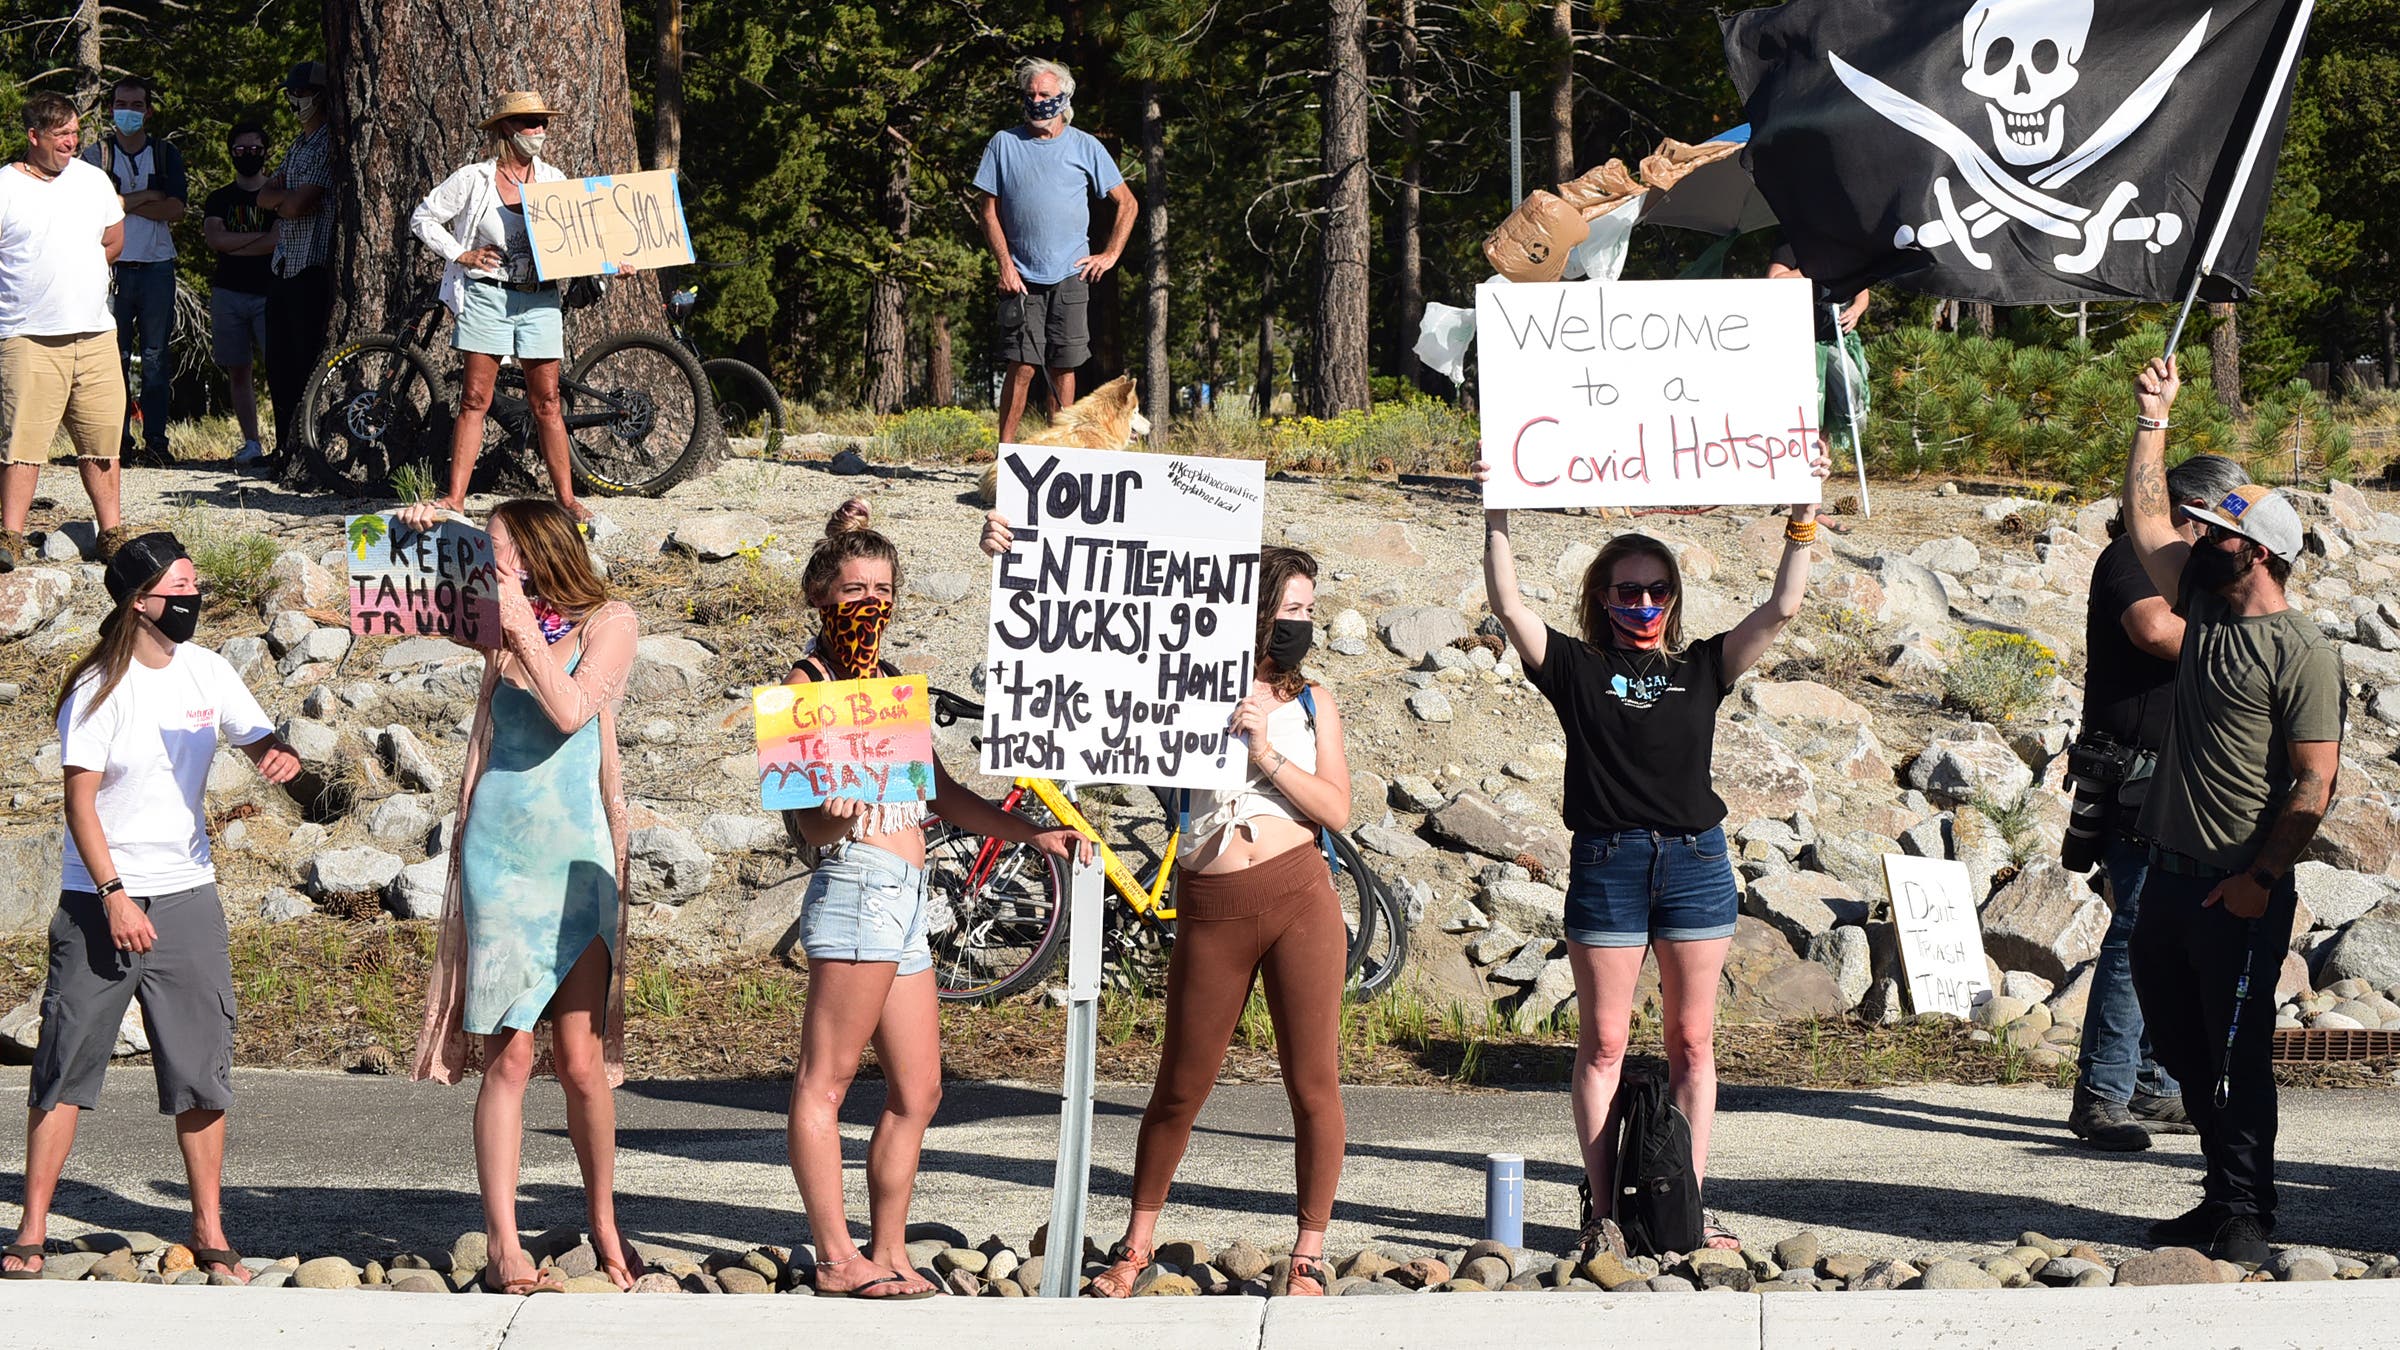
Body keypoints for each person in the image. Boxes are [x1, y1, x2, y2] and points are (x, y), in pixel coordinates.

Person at [978, 510, 1355, 1297]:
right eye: (1291, 611)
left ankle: (1309, 1254)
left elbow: (1337, 810)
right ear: (1251, 613)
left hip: (1299, 895)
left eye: (1309, 612)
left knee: (1313, 1082)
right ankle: (1136, 1242)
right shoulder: (1177, 680)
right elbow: (1070, 647)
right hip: (1215, 900)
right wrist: (1014, 561)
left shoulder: (1313, 701)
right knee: (1180, 1085)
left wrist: (1266, 752)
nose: (1303, 626)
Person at [1478, 444, 1829, 1257]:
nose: (1644, 602)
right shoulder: (1575, 665)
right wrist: (1497, 508)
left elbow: (1780, 608)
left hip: (1696, 862)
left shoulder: (1702, 665)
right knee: (1602, 1044)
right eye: (1628, 589)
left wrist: (1803, 519)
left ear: (1674, 598)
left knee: (1692, 1045)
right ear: (1603, 598)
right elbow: (1507, 602)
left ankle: (1686, 1210)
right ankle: (1603, 1213)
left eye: (1657, 589)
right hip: (1609, 862)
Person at [785, 501, 1086, 1299]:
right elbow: (801, 821)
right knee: (825, 1082)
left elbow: (941, 792)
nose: (871, 602)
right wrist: (829, 811)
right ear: (822, 596)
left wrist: (1031, 834)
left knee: (920, 1089)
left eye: (883, 588)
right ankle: (835, 1256)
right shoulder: (806, 682)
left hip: (908, 897)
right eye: (854, 589)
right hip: (854, 886)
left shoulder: (888, 684)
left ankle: (888, 1249)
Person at [0, 533, 298, 1282]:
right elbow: (79, 802)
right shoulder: (98, 689)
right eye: (182, 588)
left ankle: (209, 1228)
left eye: (197, 585)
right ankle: (31, 1229)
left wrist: (278, 758)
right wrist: (114, 897)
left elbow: (257, 736)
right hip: (99, 899)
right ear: (141, 602)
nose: (195, 599)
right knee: (65, 1064)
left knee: (202, 1068)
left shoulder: (207, 668)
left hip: (189, 893)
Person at [2117, 355, 2344, 1268]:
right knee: (2178, 1045)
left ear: (2254, 551)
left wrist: (2259, 881)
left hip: (2236, 895)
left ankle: (2247, 1207)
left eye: (2213, 529)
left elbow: (2314, 785)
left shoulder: (2303, 652)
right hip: (2166, 881)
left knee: (2233, 1059)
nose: (2194, 534)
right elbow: (2142, 519)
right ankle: (2219, 1194)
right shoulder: (2204, 609)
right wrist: (2151, 417)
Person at [406, 497, 647, 1293]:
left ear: (543, 551)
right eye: (488, 555)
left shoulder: (610, 619)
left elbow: (574, 711)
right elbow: (400, 600)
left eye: (501, 552)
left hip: (577, 857)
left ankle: (606, 1222)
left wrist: (516, 626)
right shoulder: (491, 618)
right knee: (506, 1059)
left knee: (579, 1061)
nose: (493, 567)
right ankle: (506, 1244)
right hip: (500, 857)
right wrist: (428, 540)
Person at [2062, 451, 2246, 1152]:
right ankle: (2103, 1093)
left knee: (2162, 932)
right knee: (2137, 928)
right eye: (2223, 517)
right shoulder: (2128, 556)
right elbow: (2153, 630)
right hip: (2137, 777)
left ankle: (2151, 1083)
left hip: (2182, 777)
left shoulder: (2195, 571)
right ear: (2191, 511)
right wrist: (2251, 643)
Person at [410, 92, 604, 521]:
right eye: (529, 123)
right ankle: (454, 498)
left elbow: (584, 240)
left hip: (539, 298)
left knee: (548, 399)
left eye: (542, 123)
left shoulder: (555, 180)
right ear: (506, 129)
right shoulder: (474, 179)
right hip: (487, 294)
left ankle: (566, 499)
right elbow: (422, 218)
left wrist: (610, 263)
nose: (538, 132)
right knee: (475, 397)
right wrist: (461, 253)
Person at [972, 58, 1138, 444]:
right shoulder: (1004, 144)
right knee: (1023, 365)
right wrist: (1005, 266)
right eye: (1030, 94)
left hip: (1071, 274)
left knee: (1064, 366)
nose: (1037, 101)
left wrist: (1109, 255)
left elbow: (1127, 204)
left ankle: (1059, 454)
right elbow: (988, 211)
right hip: (1022, 278)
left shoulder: (1086, 145)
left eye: (1045, 95)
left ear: (1063, 97)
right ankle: (1007, 453)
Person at [0, 93, 130, 572]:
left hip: (94, 333)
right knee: (22, 444)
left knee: (101, 441)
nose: (72, 143)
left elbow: (114, 238)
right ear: (33, 137)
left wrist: (84, 272)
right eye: (61, 136)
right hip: (28, 336)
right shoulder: (6, 187)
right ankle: (10, 535)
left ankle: (110, 532)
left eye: (75, 133)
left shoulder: (92, 180)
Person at [78, 77, 184, 469]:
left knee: (157, 357)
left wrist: (121, 202)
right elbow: (94, 208)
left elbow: (176, 209)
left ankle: (156, 441)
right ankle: (116, 441)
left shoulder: (165, 153)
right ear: (110, 109)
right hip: (111, 266)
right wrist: (146, 198)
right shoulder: (96, 154)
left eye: (137, 105)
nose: (129, 111)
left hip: (157, 265)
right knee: (111, 357)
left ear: (149, 110)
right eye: (122, 103)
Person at [258, 60, 335, 467]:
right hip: (284, 264)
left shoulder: (327, 144)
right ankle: (282, 446)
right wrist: (283, 200)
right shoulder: (297, 144)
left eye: (306, 94)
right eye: (295, 94)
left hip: (311, 267)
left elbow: (297, 202)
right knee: (279, 365)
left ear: (322, 97)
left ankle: (305, 448)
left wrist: (284, 200)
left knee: (305, 363)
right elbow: (266, 196)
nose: (298, 101)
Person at [202, 124, 276, 465]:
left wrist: (235, 243)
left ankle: (287, 438)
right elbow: (216, 240)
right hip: (228, 293)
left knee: (278, 369)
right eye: (241, 150)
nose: (248, 155)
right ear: (231, 152)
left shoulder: (277, 194)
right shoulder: (219, 198)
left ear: (266, 151)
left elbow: (277, 239)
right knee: (238, 371)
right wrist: (257, 241)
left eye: (255, 148)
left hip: (269, 292)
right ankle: (251, 442)